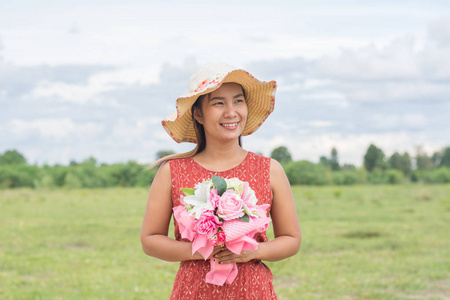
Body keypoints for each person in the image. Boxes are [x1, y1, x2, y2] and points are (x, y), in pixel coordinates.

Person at [140, 62, 301, 299]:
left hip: (253, 292)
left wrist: (251, 250)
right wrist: (203, 250)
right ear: (198, 113)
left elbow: (291, 239)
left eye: (238, 101)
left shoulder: (270, 170)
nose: (231, 112)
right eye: (218, 103)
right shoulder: (172, 171)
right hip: (194, 291)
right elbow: (150, 240)